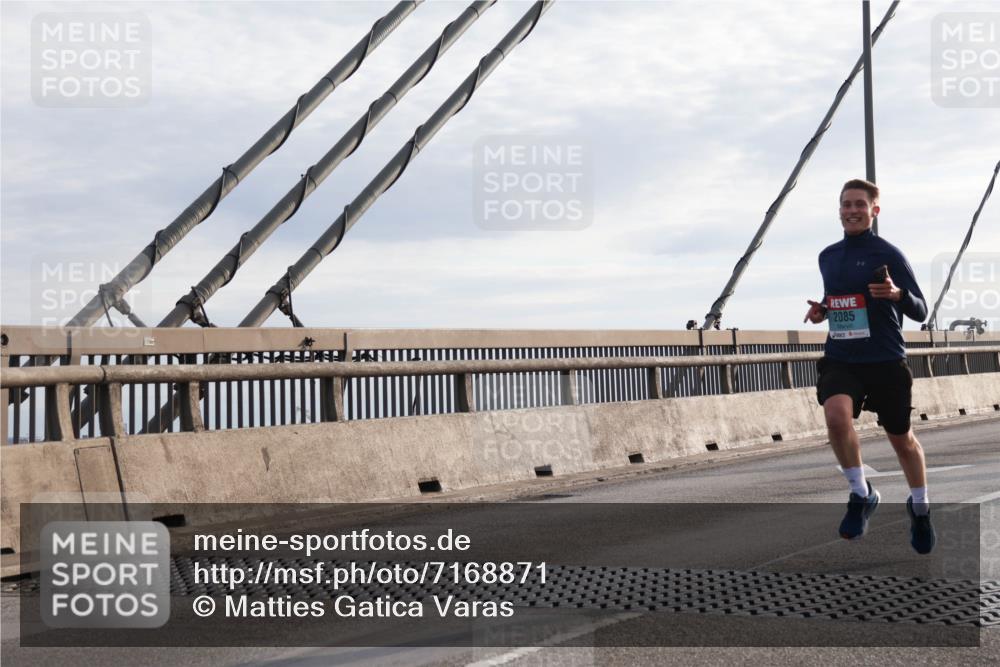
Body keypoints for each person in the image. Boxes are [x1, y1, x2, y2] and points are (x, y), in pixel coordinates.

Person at [804, 178, 935, 554]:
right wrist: (823, 311)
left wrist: (897, 294)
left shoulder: (888, 253)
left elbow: (921, 308)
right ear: (839, 210)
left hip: (886, 359)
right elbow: (839, 298)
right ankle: (861, 494)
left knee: (902, 440)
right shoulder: (827, 256)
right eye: (846, 205)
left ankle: (921, 508)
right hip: (843, 356)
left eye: (860, 205)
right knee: (836, 417)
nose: (852, 211)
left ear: (874, 211)